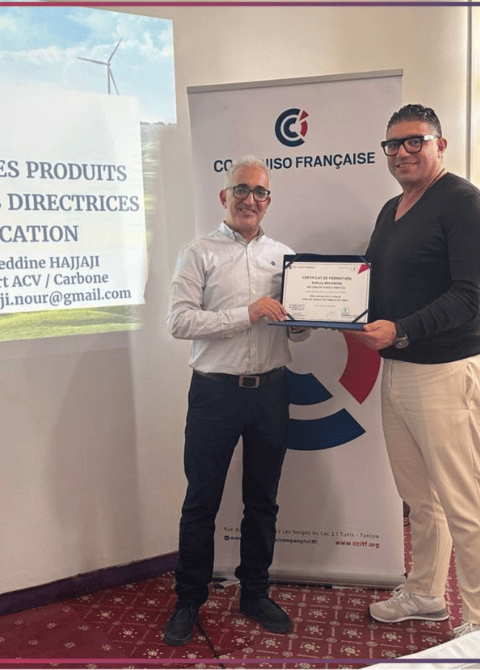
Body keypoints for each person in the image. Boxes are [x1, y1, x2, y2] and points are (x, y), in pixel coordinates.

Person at [347, 104, 480, 638]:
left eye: (415, 141)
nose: (403, 152)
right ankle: (427, 594)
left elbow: (468, 297)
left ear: (440, 144)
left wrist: (401, 329)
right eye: (393, 144)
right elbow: (372, 279)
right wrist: (323, 308)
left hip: (449, 370)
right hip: (398, 367)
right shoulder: (391, 209)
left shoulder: (465, 205)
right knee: (420, 498)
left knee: (464, 500)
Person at [163, 156, 308, 646]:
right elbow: (179, 322)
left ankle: (254, 592)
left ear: (269, 201)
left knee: (262, 500)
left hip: (271, 391)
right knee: (201, 500)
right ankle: (188, 598)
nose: (250, 199)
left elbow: (296, 327)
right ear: (224, 196)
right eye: (241, 190)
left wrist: (306, 321)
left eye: (260, 192)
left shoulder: (285, 256)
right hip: (215, 393)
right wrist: (246, 314)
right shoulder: (197, 253)